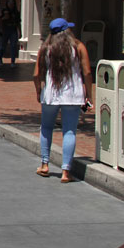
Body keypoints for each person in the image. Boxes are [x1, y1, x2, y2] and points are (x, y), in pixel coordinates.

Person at [34, 18, 92, 183]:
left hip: (51, 94)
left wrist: (39, 91)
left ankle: (44, 164)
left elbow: (36, 74)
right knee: (69, 131)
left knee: (46, 127)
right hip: (73, 94)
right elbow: (87, 72)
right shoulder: (78, 47)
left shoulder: (45, 48)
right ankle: (66, 171)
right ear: (67, 31)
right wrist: (89, 95)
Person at [0, 0, 21, 68]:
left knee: (13, 46)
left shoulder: (16, 12)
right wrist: (1, 28)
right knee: (3, 46)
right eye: (9, 3)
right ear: (7, 4)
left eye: (12, 3)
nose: (11, 5)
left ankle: (13, 61)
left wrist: (20, 31)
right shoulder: (4, 11)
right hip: (5, 29)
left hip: (13, 29)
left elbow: (18, 22)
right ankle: (0, 58)